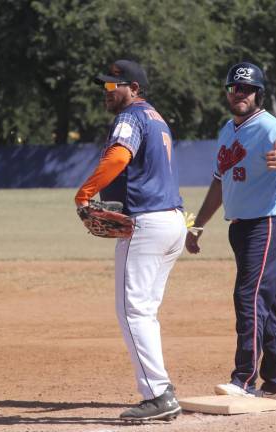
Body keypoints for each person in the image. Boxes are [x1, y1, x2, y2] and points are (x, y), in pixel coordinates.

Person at [185, 61, 276, 404]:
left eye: (247, 89)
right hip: (240, 227)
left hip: (267, 222)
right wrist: (198, 225)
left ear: (258, 94)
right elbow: (219, 182)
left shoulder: (269, 126)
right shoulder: (228, 130)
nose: (240, 94)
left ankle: (244, 379)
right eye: (234, 88)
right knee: (267, 299)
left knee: (248, 296)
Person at [75, 59, 186, 422]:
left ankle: (157, 393)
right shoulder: (156, 117)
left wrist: (86, 191)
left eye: (113, 86)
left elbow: (119, 156)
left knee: (132, 311)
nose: (106, 92)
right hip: (172, 222)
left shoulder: (131, 117)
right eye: (104, 86)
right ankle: (160, 389)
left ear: (134, 89)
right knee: (145, 311)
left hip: (148, 225)